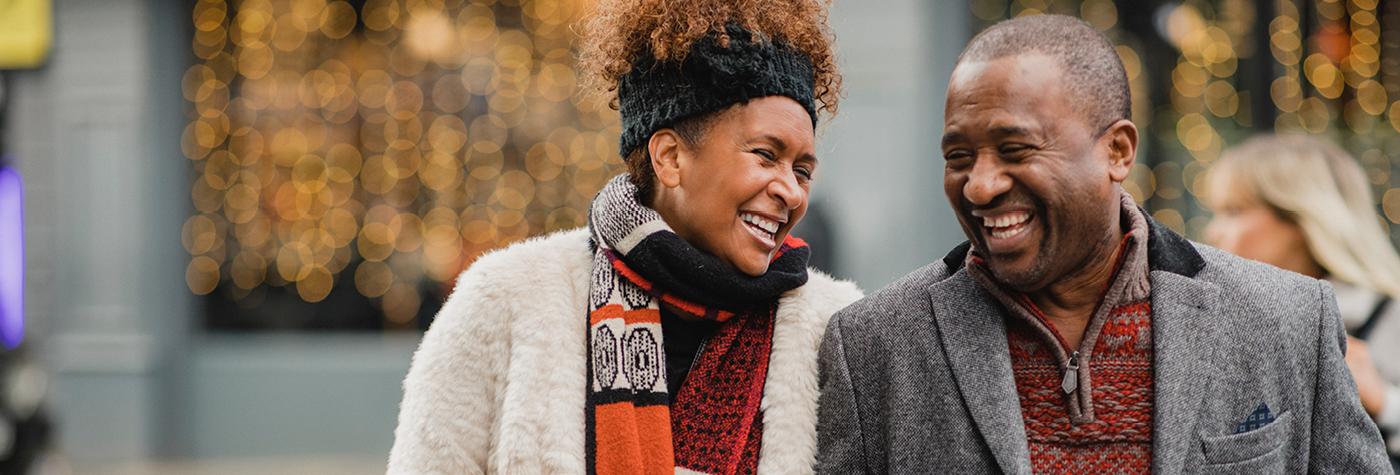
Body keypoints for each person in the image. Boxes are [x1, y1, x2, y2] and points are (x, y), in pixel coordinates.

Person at [814, 14, 1391, 473]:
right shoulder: (873, 344)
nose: (981, 185)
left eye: (1016, 150)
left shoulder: (1286, 320)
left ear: (1117, 151)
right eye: (958, 158)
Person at [387, 0, 861, 473]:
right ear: (670, 158)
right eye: (764, 154)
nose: (790, 191)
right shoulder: (507, 303)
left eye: (802, 170)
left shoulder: (833, 334)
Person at [1204, 133, 1400, 471]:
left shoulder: (1386, 315)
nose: (1213, 232)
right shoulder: (1220, 320)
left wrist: (1384, 401)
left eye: (1234, 211)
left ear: (1301, 218)